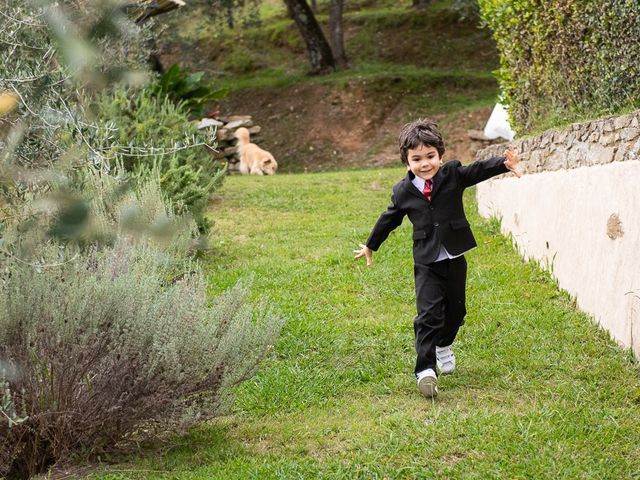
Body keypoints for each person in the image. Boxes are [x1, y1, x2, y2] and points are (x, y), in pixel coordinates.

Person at [354, 118, 521, 399]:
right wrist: (372, 245)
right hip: (426, 261)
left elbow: (476, 171)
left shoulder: (453, 174)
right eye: (417, 159)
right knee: (429, 314)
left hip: (455, 254)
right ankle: (425, 370)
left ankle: (444, 344)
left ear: (440, 156)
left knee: (456, 312)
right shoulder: (403, 191)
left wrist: (503, 164)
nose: (425, 164)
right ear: (407, 162)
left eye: (430, 156)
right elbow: (388, 220)